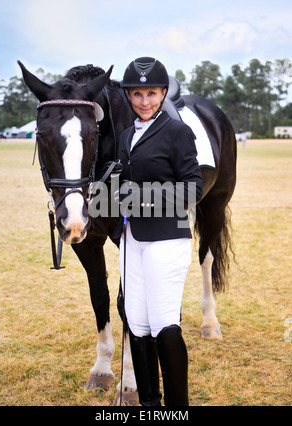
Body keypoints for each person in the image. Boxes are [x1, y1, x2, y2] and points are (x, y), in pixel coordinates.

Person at [116, 57, 203, 406]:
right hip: (132, 240)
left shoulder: (177, 131)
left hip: (168, 238)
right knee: (136, 323)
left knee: (164, 324)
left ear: (163, 93)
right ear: (129, 96)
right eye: (137, 94)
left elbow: (193, 188)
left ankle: (176, 410)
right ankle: (150, 405)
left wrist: (140, 196)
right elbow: (123, 187)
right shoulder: (125, 136)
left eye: (151, 93)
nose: (144, 101)